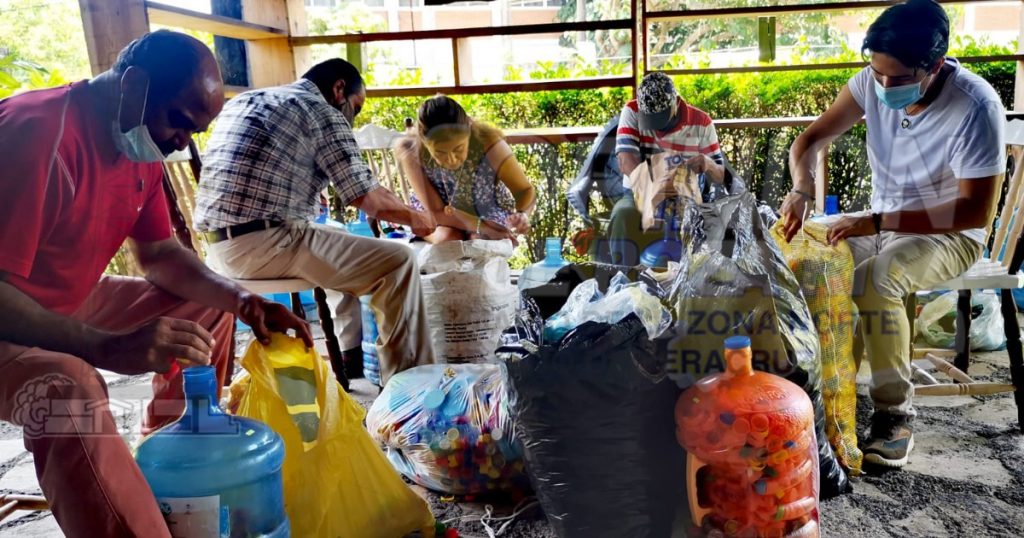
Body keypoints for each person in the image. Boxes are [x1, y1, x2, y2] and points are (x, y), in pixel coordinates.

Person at [0, 30, 311, 536]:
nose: (181, 143)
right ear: (134, 84)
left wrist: (244, 301)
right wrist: (105, 347)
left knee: (204, 311)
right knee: (70, 390)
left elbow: (161, 256)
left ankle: (169, 458)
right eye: (179, 123)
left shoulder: (138, 146)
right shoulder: (36, 134)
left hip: (58, 303)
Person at [782, 0, 1005, 468]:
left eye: (898, 79)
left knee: (876, 280)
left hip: (951, 233)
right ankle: (830, 391)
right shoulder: (871, 82)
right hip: (883, 219)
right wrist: (802, 188)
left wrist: (879, 223)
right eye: (876, 73)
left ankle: (894, 415)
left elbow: (974, 209)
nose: (883, 87)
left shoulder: (975, 105)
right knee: (811, 255)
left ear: (935, 65)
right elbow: (809, 140)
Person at [193, 59, 438, 386]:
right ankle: (411, 395)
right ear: (339, 90)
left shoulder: (247, 100)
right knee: (398, 260)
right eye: (356, 107)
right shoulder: (321, 111)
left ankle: (350, 353)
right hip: (266, 246)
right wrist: (420, 218)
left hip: (216, 252)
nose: (353, 117)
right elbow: (369, 198)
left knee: (341, 238)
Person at [611, 72, 741, 265]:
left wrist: (707, 163)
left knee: (721, 220)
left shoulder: (702, 122)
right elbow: (625, 159)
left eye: (660, 118)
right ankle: (623, 283)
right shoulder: (632, 111)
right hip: (641, 192)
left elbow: (721, 174)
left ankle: (709, 283)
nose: (655, 127)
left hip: (689, 196)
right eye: (650, 119)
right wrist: (652, 187)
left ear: (676, 103)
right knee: (623, 213)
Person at [395, 94, 535, 243]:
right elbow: (436, 211)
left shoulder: (489, 143)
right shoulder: (411, 150)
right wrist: (483, 226)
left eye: (458, 149)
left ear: (469, 130)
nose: (451, 160)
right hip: (438, 214)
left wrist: (522, 214)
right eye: (440, 153)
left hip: (487, 210)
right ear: (424, 141)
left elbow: (524, 190)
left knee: (480, 241)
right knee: (449, 240)